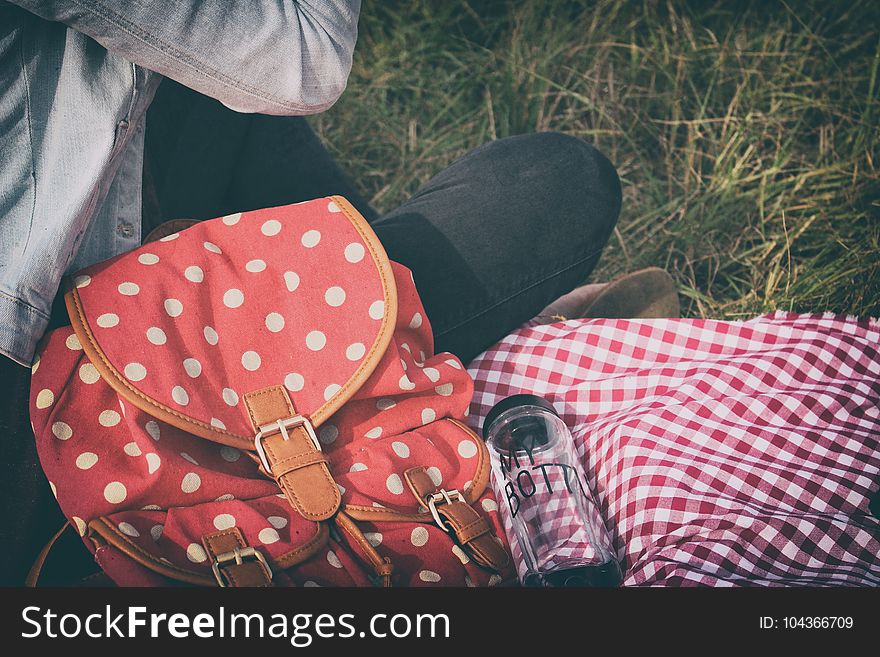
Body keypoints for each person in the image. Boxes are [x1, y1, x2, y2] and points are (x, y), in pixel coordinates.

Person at [0, 1, 667, 584]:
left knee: (210, 98)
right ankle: (453, 346)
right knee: (558, 180)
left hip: (111, 317)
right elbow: (307, 55)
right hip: (47, 425)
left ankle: (393, 337)